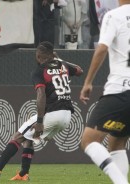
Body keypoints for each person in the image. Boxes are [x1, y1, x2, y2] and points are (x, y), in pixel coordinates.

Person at [0, 41, 83, 181]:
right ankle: (23, 173)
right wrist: (60, 60)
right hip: (67, 116)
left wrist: (39, 121)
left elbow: (41, 95)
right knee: (28, 138)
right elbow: (80, 70)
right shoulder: (64, 66)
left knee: (18, 136)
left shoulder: (39, 71)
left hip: (52, 113)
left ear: (38, 56)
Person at [79, 0, 130, 184]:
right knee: (117, 143)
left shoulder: (113, 16)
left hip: (121, 89)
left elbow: (102, 48)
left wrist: (88, 82)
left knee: (88, 141)